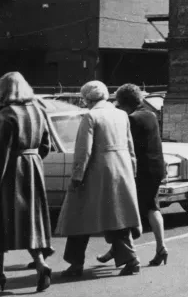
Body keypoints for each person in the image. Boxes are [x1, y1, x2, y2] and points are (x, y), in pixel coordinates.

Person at [55, 81, 143, 277]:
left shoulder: (91, 116)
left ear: (87, 99)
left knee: (78, 217)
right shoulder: (121, 115)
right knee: (118, 218)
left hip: (96, 171)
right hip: (121, 170)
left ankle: (75, 263)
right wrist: (132, 170)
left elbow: (83, 151)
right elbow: (130, 146)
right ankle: (131, 259)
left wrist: (77, 176)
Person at [0, 72, 55, 294]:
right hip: (33, 168)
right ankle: (41, 265)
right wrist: (32, 159)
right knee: (29, 221)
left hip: (11, 170)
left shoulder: (7, 113)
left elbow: (1, 151)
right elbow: (46, 146)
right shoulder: (39, 110)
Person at [96, 84, 168, 267]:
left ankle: (122, 251)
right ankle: (161, 247)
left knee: (126, 210)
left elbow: (125, 147)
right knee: (153, 207)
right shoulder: (151, 115)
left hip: (140, 170)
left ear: (124, 102)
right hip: (156, 167)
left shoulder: (131, 119)